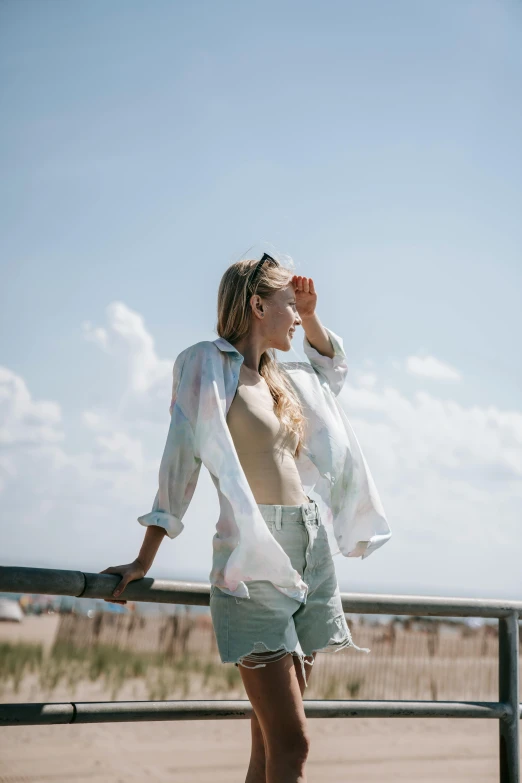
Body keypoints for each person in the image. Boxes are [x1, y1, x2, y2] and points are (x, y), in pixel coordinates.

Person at [100, 253, 391, 783]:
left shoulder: (286, 379)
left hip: (310, 547)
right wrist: (144, 558)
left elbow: (333, 368)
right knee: (293, 743)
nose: (297, 317)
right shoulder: (206, 365)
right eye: (288, 306)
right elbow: (178, 464)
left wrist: (311, 310)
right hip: (253, 558)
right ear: (257, 305)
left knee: (268, 744)